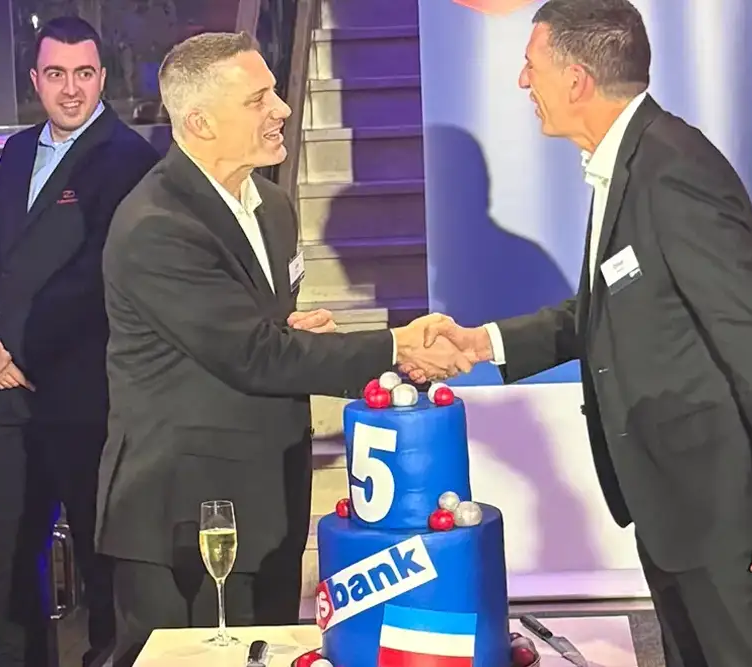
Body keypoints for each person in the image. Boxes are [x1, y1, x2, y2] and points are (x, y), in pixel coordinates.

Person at [407, 2, 752, 666]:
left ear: (577, 78)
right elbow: (601, 310)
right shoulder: (630, 163)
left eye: (531, 66)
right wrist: (482, 343)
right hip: (677, 507)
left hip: (729, 511)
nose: (524, 83)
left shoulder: (674, 169)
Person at [95, 31, 469, 666]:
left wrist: (288, 330)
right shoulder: (156, 226)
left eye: (276, 91)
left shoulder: (270, 206)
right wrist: (394, 346)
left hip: (269, 501)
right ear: (199, 122)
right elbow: (251, 355)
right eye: (259, 98)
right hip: (187, 517)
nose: (284, 109)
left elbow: (257, 331)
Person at [0, 16, 160, 667]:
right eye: (55, 74)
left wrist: (18, 349)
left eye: (83, 73)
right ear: (34, 80)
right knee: (12, 556)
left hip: (81, 396)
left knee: (103, 562)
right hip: (5, 393)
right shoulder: (18, 150)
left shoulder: (128, 158)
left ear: (102, 77)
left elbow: (99, 276)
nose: (70, 89)